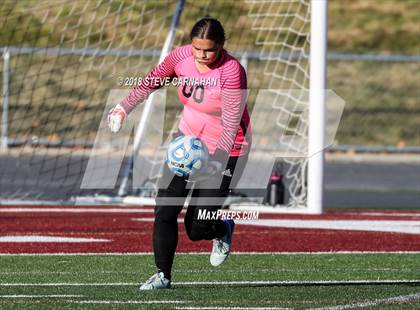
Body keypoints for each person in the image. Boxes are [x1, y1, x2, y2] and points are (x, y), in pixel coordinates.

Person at [108, 17, 252, 290]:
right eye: (197, 48)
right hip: (187, 144)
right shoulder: (181, 57)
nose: (201, 55)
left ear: (221, 46)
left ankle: (223, 228)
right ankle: (162, 275)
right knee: (164, 209)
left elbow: (232, 123)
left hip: (227, 149)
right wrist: (123, 107)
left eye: (208, 50)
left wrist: (217, 162)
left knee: (197, 227)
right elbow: (153, 80)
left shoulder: (232, 71)